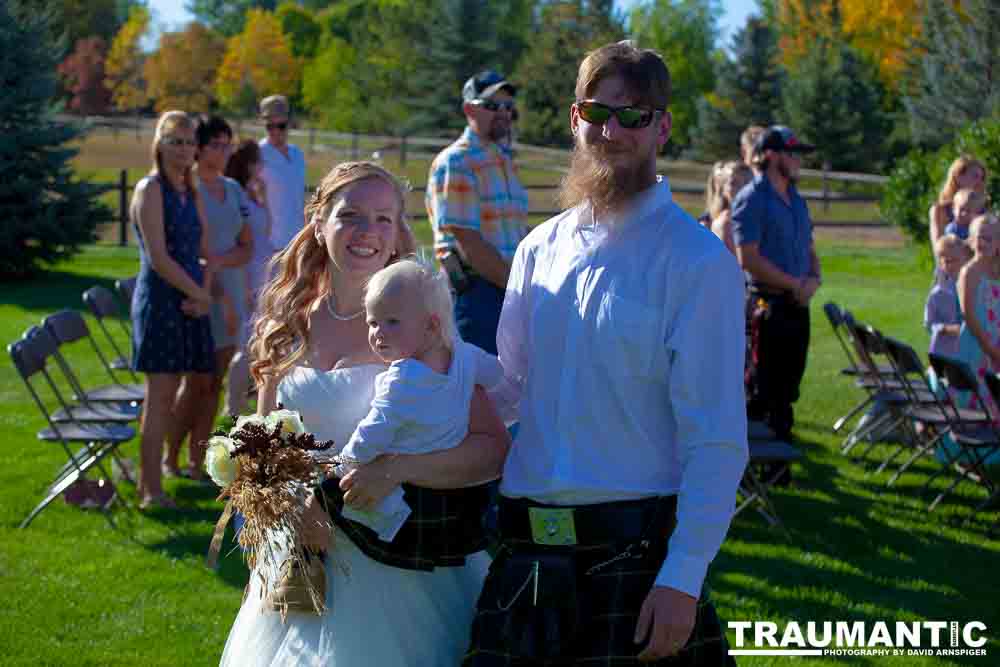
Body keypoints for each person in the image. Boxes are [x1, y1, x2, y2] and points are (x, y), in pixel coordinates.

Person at [464, 42, 746, 666]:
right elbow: (510, 389)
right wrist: (420, 376)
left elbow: (718, 440)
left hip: (635, 564)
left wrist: (683, 577)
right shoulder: (539, 249)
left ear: (662, 127)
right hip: (525, 556)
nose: (611, 130)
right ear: (574, 120)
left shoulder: (698, 264)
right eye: (597, 113)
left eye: (634, 115)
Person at [220, 161, 510, 667]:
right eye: (351, 215)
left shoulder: (423, 327)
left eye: (383, 218)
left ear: (399, 229)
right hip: (304, 555)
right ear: (319, 223)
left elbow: (492, 449)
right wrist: (284, 504)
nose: (368, 232)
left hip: (399, 557)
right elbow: (264, 442)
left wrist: (393, 470)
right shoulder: (285, 322)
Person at [334, 259, 504, 541]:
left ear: (431, 326)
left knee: (348, 513)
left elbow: (374, 430)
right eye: (373, 322)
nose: (378, 333)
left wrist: (342, 465)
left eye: (392, 322)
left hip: (404, 490)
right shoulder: (464, 355)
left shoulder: (403, 379)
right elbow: (496, 373)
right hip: (451, 479)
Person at [129, 111, 215, 509]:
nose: (184, 149)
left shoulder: (189, 189)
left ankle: (161, 475)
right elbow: (159, 258)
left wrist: (203, 293)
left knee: (185, 388)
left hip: (189, 302)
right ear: (160, 144)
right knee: (159, 398)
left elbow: (203, 249)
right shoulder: (151, 190)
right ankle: (151, 492)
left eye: (189, 141)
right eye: (175, 141)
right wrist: (199, 293)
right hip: (162, 304)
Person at [163, 115, 252, 479]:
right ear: (199, 148)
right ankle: (169, 458)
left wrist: (218, 261)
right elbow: (192, 255)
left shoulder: (233, 189)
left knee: (215, 382)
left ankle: (199, 462)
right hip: (199, 296)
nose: (225, 150)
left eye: (228, 143)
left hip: (231, 292)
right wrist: (216, 281)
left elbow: (247, 246)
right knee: (194, 381)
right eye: (217, 144)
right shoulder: (188, 188)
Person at [425, 70, 529, 355]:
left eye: (508, 107)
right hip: (476, 296)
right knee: (476, 389)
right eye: (493, 106)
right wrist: (519, 288)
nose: (504, 114)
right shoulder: (457, 161)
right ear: (469, 109)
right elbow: (469, 245)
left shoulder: (504, 160)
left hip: (506, 291)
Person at [732, 125, 822, 439]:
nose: (798, 161)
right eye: (792, 153)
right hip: (766, 308)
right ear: (770, 155)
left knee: (788, 390)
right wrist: (793, 284)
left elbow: (810, 248)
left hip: (797, 307)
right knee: (761, 390)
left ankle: (780, 466)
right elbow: (749, 259)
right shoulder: (752, 198)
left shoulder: (796, 199)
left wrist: (814, 280)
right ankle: (755, 468)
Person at [223, 139, 276, 418]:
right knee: (245, 344)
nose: (261, 167)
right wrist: (243, 285)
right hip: (249, 276)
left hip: (264, 274)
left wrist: (264, 196)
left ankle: (250, 400)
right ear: (247, 164)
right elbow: (239, 239)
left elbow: (265, 230)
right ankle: (232, 405)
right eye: (257, 162)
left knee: (259, 342)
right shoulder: (237, 195)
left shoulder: (252, 194)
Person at [258, 94, 306, 252]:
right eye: (269, 126)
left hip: (297, 244)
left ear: (289, 123)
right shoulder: (258, 154)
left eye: (281, 126)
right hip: (269, 247)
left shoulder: (297, 154)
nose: (275, 131)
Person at [925, 234, 972, 359]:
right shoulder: (938, 293)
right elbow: (929, 323)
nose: (950, 265)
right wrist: (944, 328)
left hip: (970, 350)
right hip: (944, 352)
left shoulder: (974, 287)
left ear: (966, 258)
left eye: (954, 260)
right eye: (945, 261)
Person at [929, 155, 987, 254]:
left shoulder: (983, 210)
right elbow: (938, 249)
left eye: (982, 178)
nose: (980, 182)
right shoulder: (940, 210)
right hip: (950, 266)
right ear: (958, 176)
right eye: (975, 176)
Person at [710, 160, 752, 254]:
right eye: (733, 183)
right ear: (723, 188)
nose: (744, 189)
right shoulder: (724, 224)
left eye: (748, 183)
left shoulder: (755, 218)